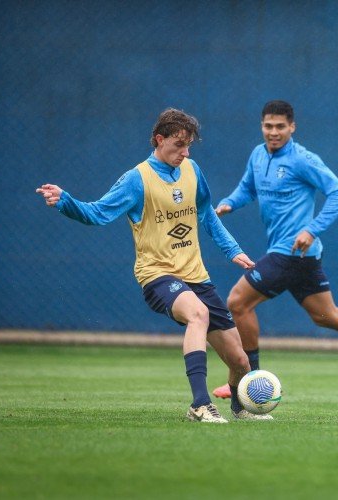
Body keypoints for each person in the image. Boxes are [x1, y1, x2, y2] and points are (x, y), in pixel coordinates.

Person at [35, 108, 260, 423]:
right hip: (158, 275)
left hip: (197, 276)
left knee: (240, 362)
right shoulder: (137, 179)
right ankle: (199, 404)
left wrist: (232, 250)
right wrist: (65, 201)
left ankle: (239, 407)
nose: (185, 152)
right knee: (198, 314)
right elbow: (97, 213)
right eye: (179, 144)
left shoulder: (193, 170)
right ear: (159, 139)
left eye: (189, 145)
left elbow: (206, 213)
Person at [210, 100, 338, 404]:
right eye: (268, 126)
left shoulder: (303, 159)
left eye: (280, 127)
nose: (273, 132)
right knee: (326, 315)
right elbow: (248, 188)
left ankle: (249, 377)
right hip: (299, 257)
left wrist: (311, 229)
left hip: (292, 251)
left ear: (292, 127)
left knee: (238, 302)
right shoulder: (258, 155)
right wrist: (229, 203)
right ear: (262, 126)